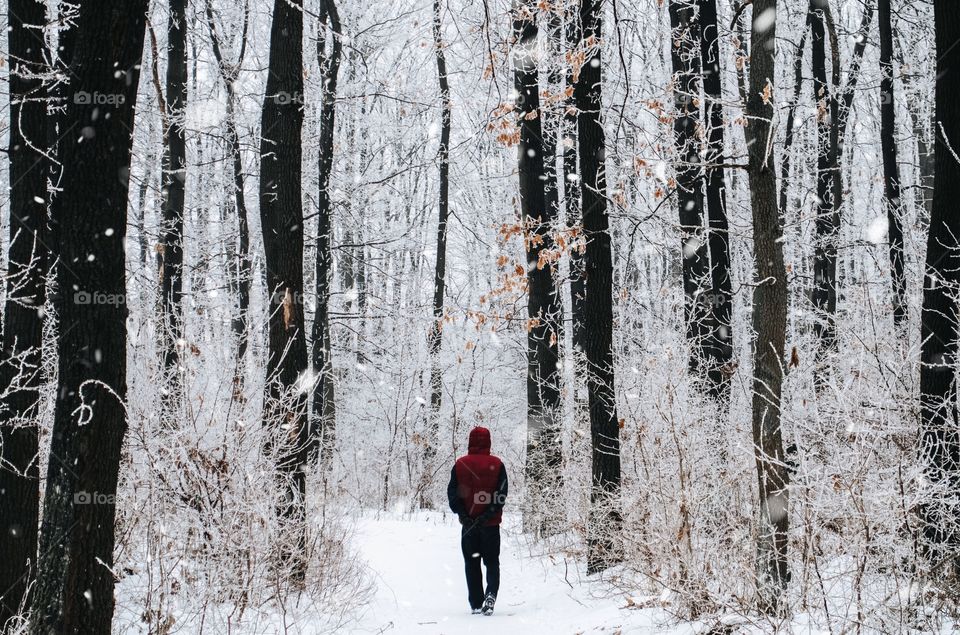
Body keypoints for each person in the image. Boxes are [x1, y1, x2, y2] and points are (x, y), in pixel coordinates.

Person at [447, 426, 508, 616]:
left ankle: (476, 602)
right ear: (488, 441)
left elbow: (452, 493)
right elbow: (501, 494)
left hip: (468, 526)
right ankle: (491, 595)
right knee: (491, 562)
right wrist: (487, 514)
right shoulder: (497, 464)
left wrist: (464, 515)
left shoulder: (460, 464)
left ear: (470, 441)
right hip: (490, 526)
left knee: (472, 563)